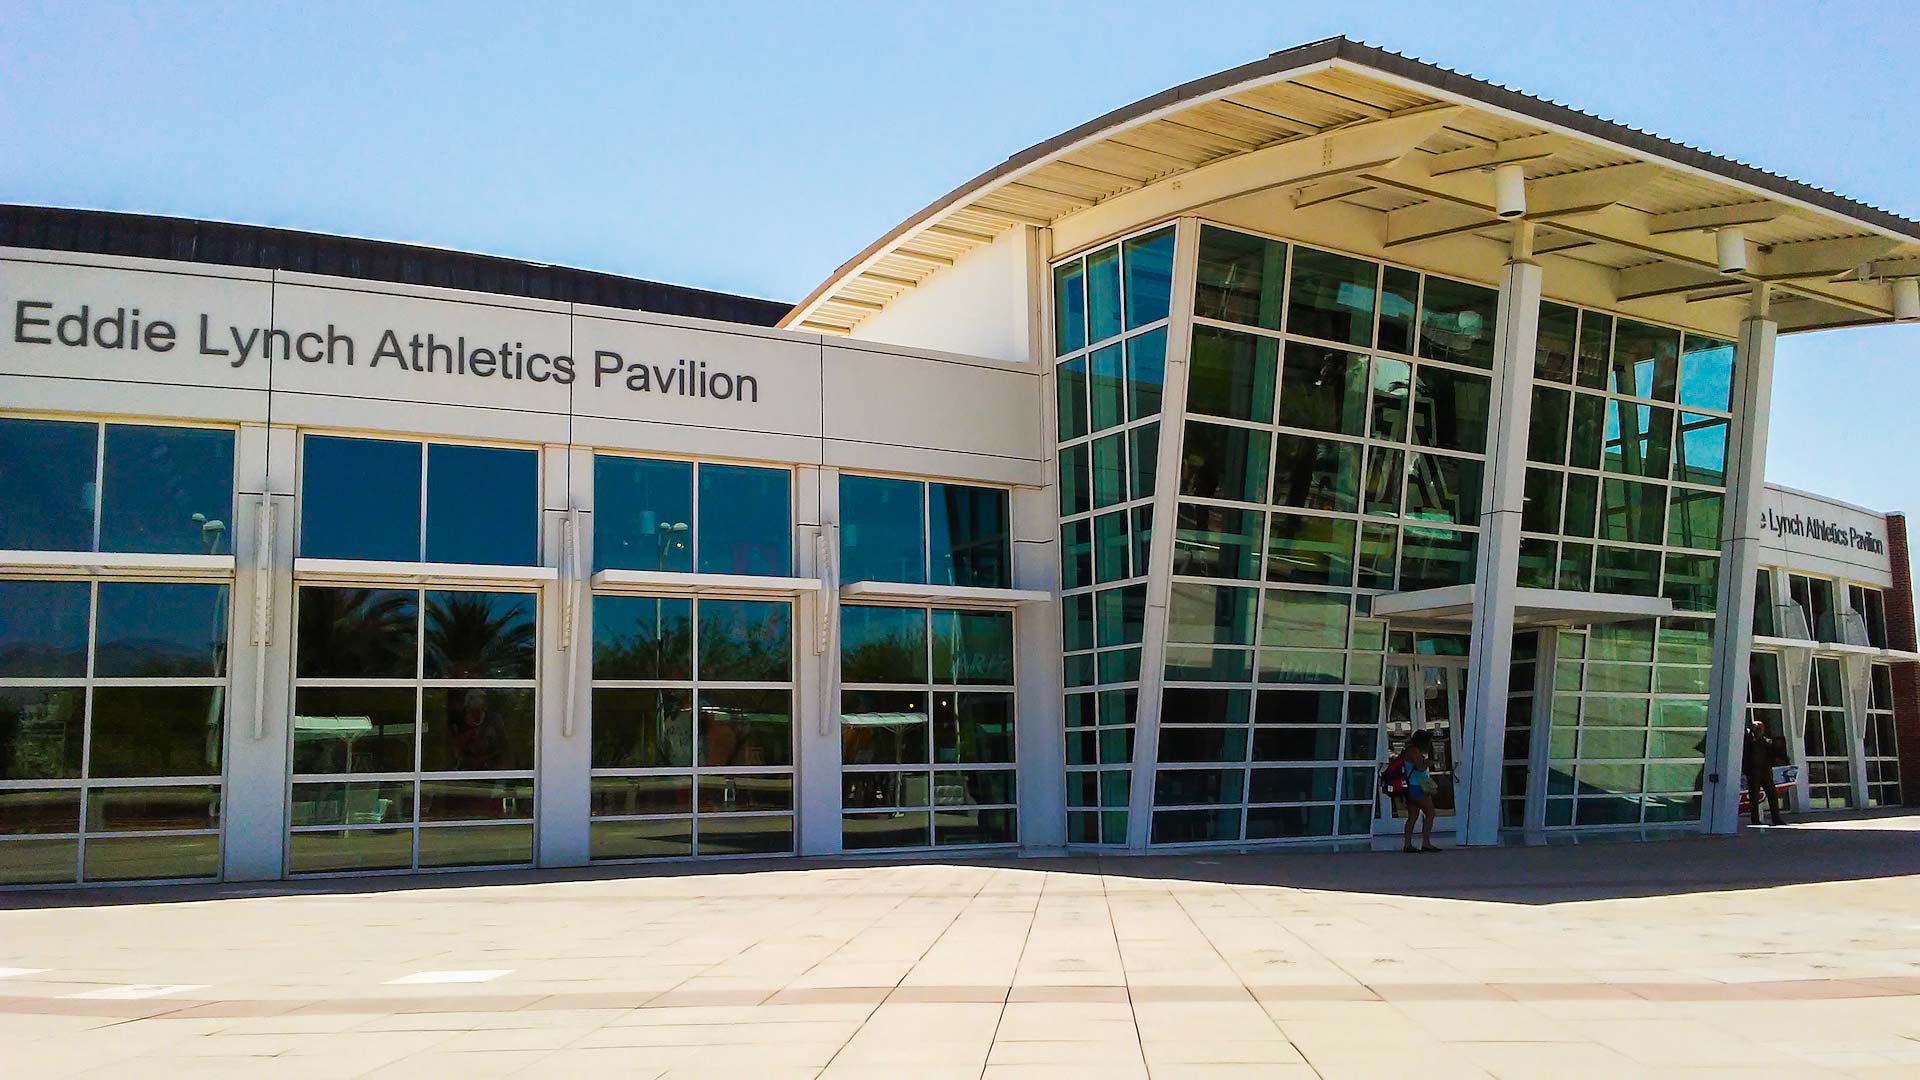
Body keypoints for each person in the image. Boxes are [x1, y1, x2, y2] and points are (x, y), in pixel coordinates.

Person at [1382, 730, 1441, 853]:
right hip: (1417, 786)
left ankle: (1407, 844)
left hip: (1411, 787)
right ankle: (1426, 843)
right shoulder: (1414, 751)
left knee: (1412, 817)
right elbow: (1420, 768)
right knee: (1430, 813)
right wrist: (1429, 763)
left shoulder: (1409, 750)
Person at [1744, 717, 1787, 826]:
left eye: (1761, 727)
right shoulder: (1748, 741)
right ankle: (1755, 819)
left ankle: (1776, 818)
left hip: (1765, 771)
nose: (1759, 729)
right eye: (1756, 727)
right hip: (1753, 771)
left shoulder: (1767, 742)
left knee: (1772, 794)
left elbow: (1774, 755)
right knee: (1754, 796)